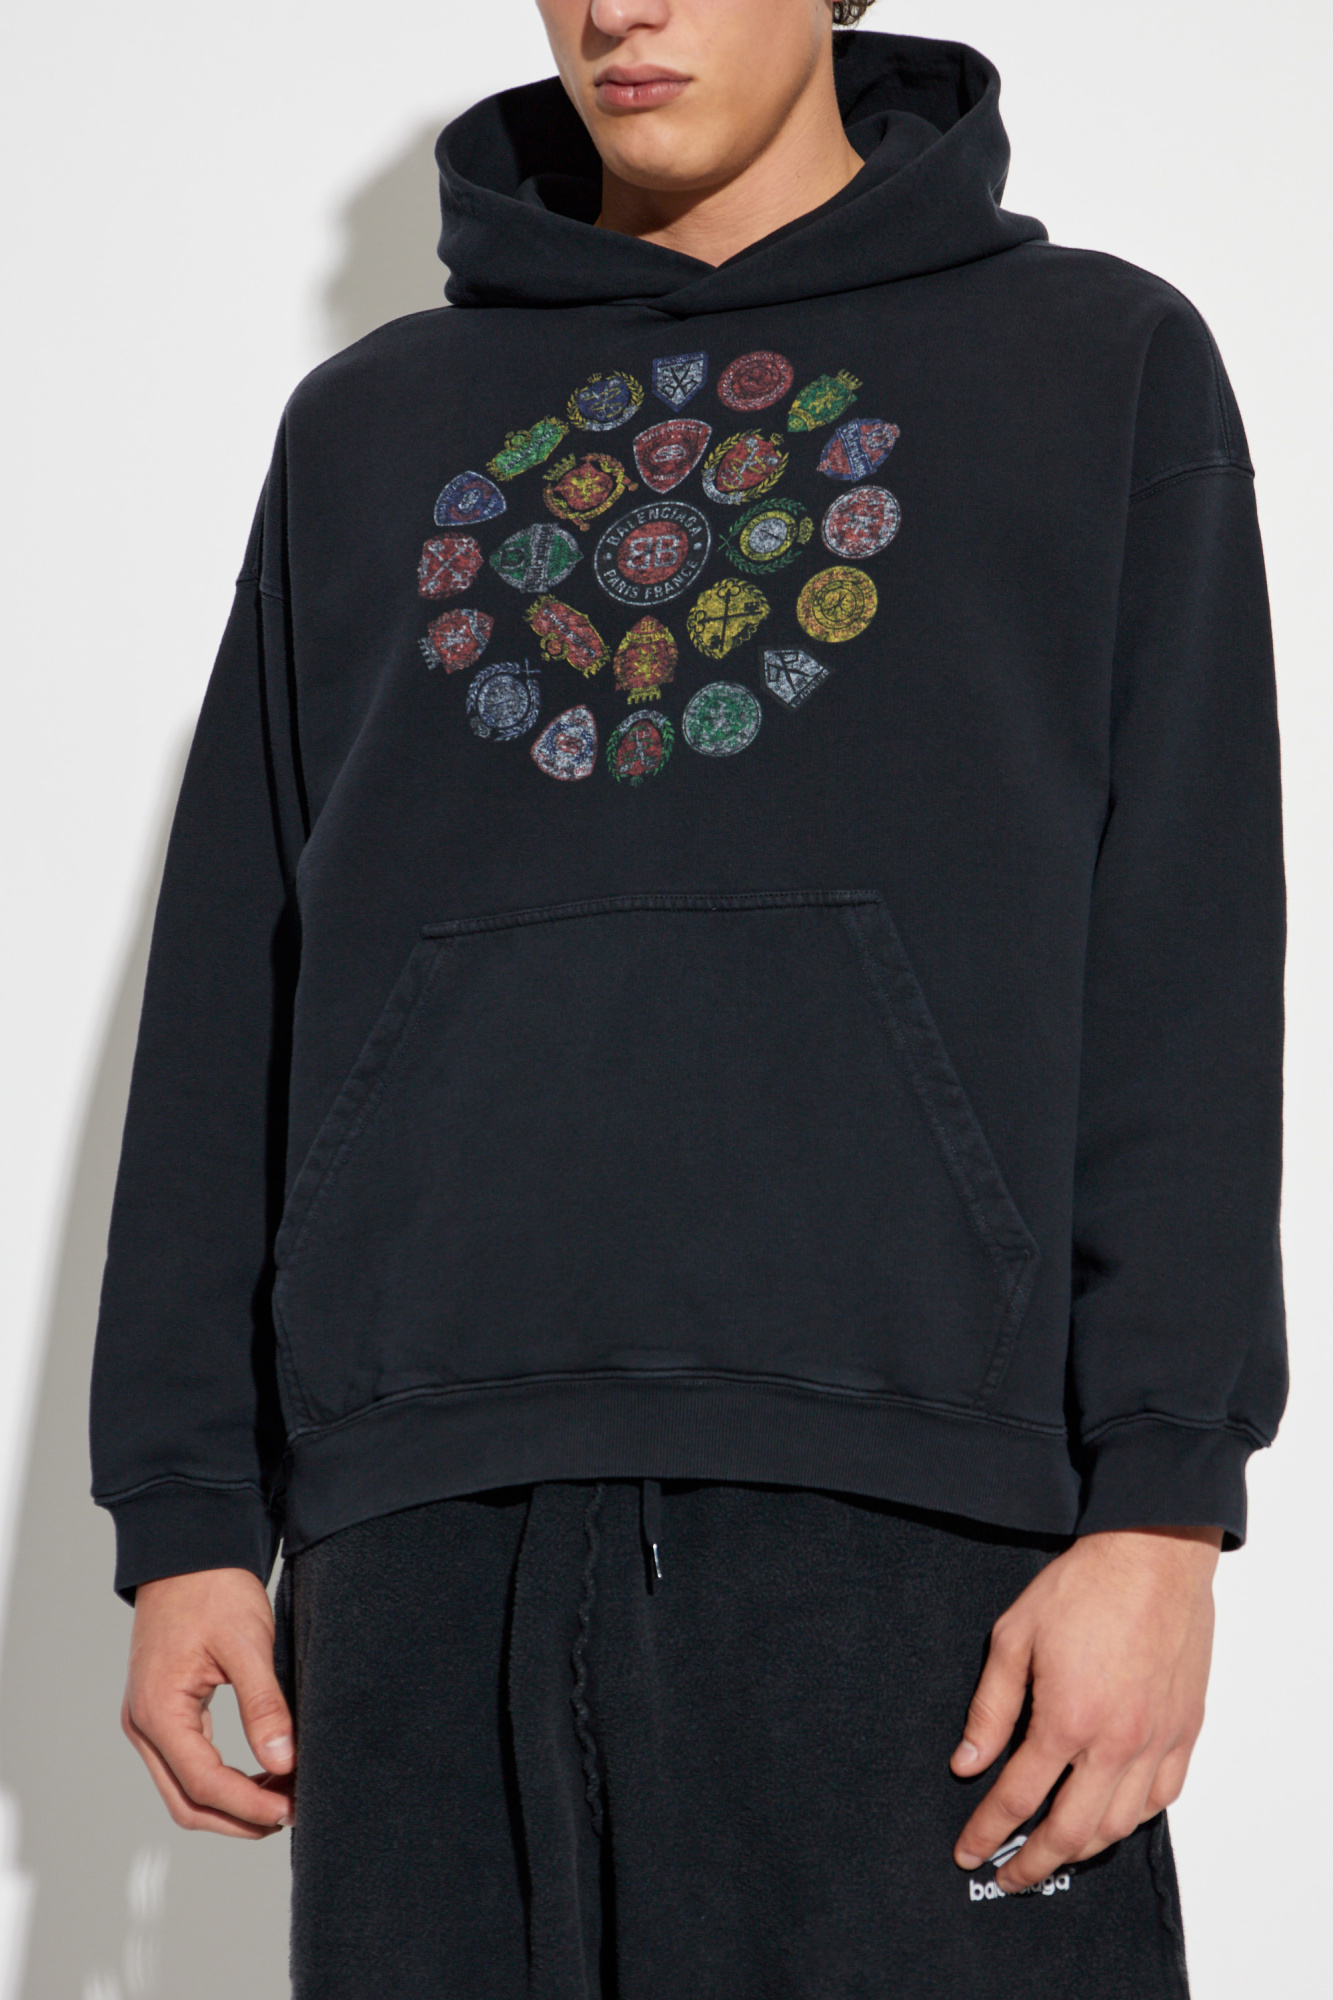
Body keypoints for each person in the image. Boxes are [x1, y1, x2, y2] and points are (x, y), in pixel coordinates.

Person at [89, 1, 1287, 1993]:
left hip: (920, 1528)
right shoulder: (368, 425)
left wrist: (1162, 1510)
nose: (617, 8)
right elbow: (238, 974)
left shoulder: (1094, 363)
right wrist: (187, 1507)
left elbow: (1182, 950)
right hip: (422, 1529)